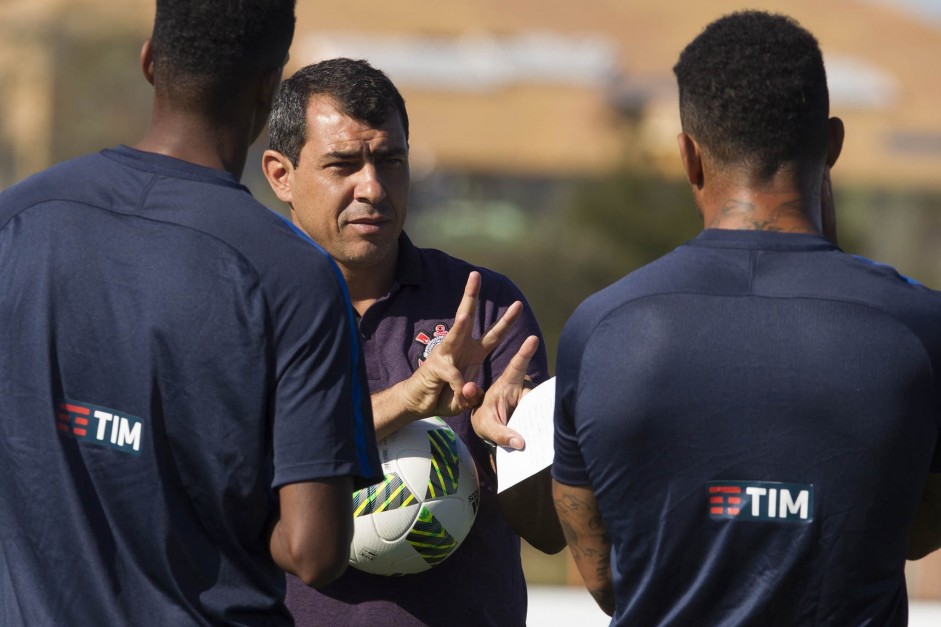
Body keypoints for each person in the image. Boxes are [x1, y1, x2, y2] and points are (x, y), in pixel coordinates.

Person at [552, 10, 941, 627]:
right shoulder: (921, 329)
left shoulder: (602, 329)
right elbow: (905, 530)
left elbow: (603, 576)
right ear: (833, 144)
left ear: (688, 155)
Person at [0, 2, 381, 625]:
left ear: (150, 60)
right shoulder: (295, 276)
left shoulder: (16, 220)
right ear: (268, 84)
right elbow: (314, 552)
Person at [262, 57, 564, 626]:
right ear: (281, 175)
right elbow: (241, 472)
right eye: (343, 164)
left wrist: (507, 453)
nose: (372, 187)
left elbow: (548, 534)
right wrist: (408, 399)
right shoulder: (244, 307)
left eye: (391, 162)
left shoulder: (487, 308)